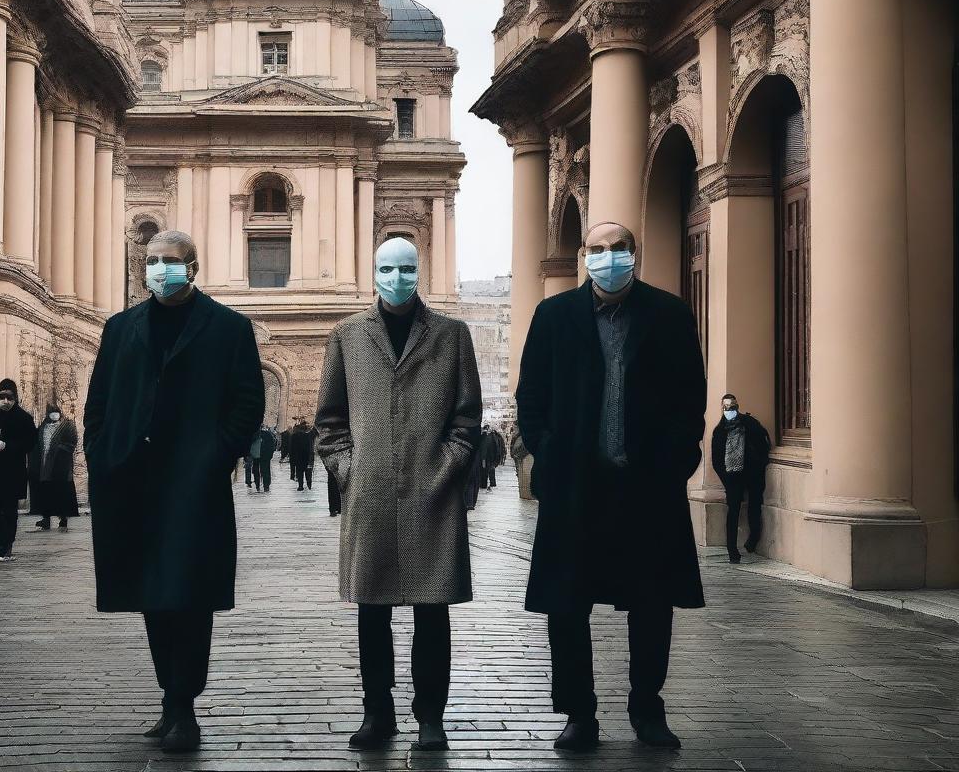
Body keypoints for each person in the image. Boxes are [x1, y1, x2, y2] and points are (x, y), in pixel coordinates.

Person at [517, 220, 706, 752]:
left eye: (618, 248)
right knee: (567, 605)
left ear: (635, 255)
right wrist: (550, 455)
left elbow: (691, 397)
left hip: (646, 485)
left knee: (652, 603)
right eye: (597, 249)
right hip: (577, 486)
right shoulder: (554, 316)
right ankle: (579, 713)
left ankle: (647, 708)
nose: (608, 257)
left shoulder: (669, 314)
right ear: (583, 256)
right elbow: (531, 397)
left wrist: (675, 460)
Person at [84, 230, 264, 754]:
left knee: (189, 596)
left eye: (171, 261)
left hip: (193, 485)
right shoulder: (120, 328)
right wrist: (100, 453)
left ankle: (183, 706)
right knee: (150, 597)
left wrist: (216, 454)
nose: (160, 269)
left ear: (194, 267)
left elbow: (247, 402)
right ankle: (170, 698)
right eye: (153, 261)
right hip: (132, 483)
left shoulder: (228, 328)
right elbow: (98, 401)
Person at [317, 237, 482, 753]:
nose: (396, 277)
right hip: (370, 493)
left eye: (406, 268)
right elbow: (330, 420)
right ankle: (377, 712)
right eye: (387, 268)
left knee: (433, 612)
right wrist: (351, 470)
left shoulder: (452, 335)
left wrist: (449, 464)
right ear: (374, 273)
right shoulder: (347, 335)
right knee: (373, 610)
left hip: (434, 492)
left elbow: (467, 414)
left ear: (420, 271)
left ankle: (431, 716)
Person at [0, 379, 36, 562]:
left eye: (8, 397)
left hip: (13, 471)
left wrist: (8, 446)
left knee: (9, 510)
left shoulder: (24, 418)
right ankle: (1, 543)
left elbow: (31, 443)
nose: (5, 401)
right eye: (1, 397)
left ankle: (6, 546)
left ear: (15, 398)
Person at [711, 393, 771, 563]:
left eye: (732, 407)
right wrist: (726, 480)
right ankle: (732, 550)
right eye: (726, 408)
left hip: (752, 473)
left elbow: (763, 442)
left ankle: (753, 539)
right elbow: (716, 460)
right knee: (733, 511)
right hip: (732, 477)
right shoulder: (720, 431)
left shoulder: (749, 423)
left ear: (737, 407)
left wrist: (759, 464)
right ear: (722, 409)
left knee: (754, 506)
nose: (730, 411)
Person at [29, 403, 79, 531]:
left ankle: (63, 519)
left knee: (61, 491)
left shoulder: (67, 425)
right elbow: (36, 442)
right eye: (51, 413)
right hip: (44, 465)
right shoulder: (43, 426)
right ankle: (46, 519)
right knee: (45, 491)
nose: (54, 415)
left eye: (56, 412)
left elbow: (72, 441)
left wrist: (59, 449)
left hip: (60, 465)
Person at [290, 419, 315, 491]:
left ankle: (300, 486)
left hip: (298, 457)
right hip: (307, 456)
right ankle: (309, 484)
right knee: (308, 472)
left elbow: (292, 448)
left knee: (299, 471)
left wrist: (292, 458)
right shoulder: (309, 435)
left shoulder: (294, 436)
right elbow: (311, 447)